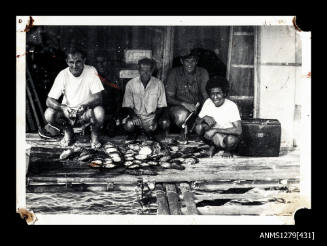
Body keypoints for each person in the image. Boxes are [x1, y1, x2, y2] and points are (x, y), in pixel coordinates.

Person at [42, 47, 105, 148]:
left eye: (78, 62)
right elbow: (49, 100)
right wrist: (63, 107)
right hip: (68, 113)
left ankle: (94, 136)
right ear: (67, 62)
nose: (75, 66)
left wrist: (84, 105)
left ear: (84, 60)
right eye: (71, 62)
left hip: (86, 112)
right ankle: (68, 133)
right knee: (49, 114)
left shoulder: (91, 70)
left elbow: (98, 97)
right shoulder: (63, 74)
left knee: (99, 112)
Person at [164, 50, 209, 138]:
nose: (190, 64)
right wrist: (184, 104)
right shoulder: (174, 73)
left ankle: (196, 139)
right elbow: (169, 98)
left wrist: (203, 111)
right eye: (187, 61)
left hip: (197, 108)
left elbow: (206, 96)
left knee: (206, 119)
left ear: (196, 61)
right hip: (178, 107)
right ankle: (183, 137)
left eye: (193, 61)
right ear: (181, 61)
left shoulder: (202, 72)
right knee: (182, 115)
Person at [122, 58, 170, 140]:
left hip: (152, 117)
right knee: (128, 125)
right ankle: (137, 133)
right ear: (139, 70)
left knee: (165, 123)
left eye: (148, 71)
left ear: (152, 71)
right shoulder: (131, 84)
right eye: (142, 70)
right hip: (137, 117)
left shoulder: (159, 84)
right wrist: (134, 116)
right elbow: (127, 105)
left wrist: (155, 120)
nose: (145, 73)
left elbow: (162, 106)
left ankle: (152, 134)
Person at [194, 76, 242, 158]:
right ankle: (213, 146)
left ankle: (227, 150)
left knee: (231, 140)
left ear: (224, 94)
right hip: (214, 137)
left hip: (226, 137)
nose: (215, 97)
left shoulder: (231, 106)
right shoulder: (208, 102)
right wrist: (204, 118)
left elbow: (238, 130)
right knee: (199, 127)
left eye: (218, 93)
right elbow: (197, 121)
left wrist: (215, 130)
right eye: (212, 94)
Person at [94, 53, 123, 136]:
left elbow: (118, 99)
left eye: (103, 62)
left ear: (108, 63)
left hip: (110, 114)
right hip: (96, 113)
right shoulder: (92, 77)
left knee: (111, 134)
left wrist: (115, 117)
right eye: (98, 62)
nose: (101, 65)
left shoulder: (113, 78)